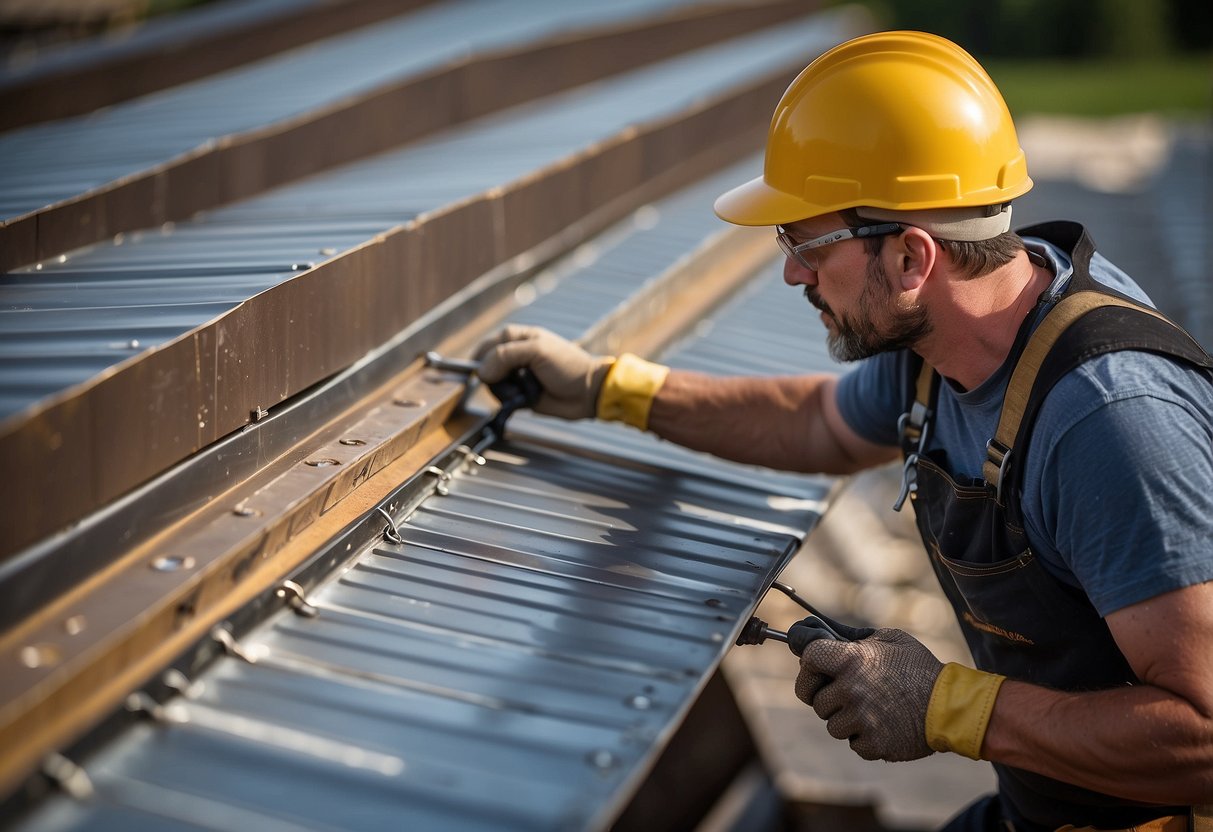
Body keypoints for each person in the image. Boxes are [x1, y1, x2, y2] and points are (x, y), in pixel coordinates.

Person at [474, 30, 1213, 831]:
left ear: (909, 257)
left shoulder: (1106, 426)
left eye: (804, 242)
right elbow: (816, 423)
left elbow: (1203, 736)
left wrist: (944, 708)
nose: (790, 271)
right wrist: (609, 389)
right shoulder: (949, 337)